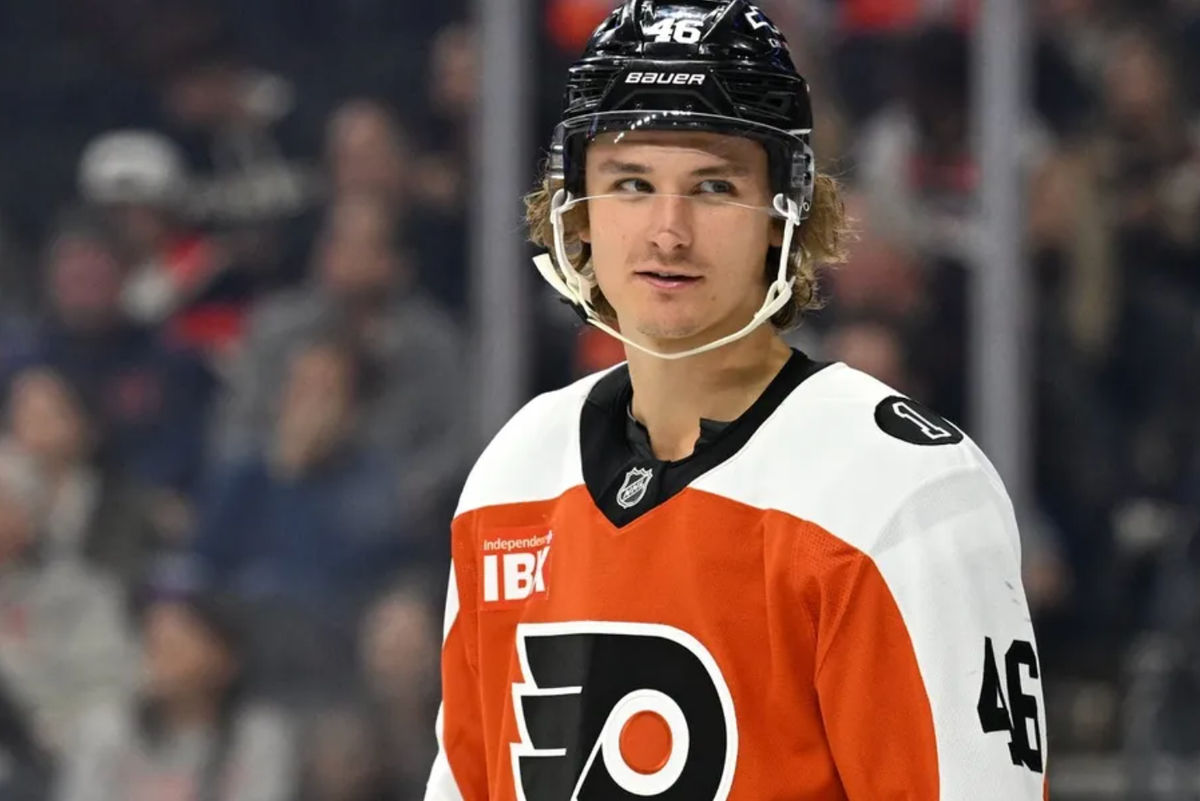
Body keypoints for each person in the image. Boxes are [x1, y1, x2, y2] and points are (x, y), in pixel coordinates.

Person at [425, 2, 1048, 800]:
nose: (667, 231)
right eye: (631, 183)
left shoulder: (899, 488)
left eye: (713, 186)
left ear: (787, 213)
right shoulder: (515, 475)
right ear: (575, 210)